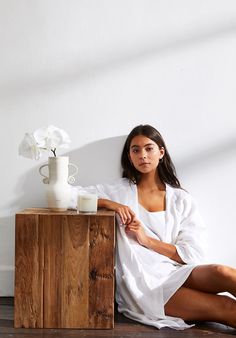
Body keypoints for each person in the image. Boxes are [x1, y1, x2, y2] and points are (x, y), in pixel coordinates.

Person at [71, 124, 236, 330]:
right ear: (129, 156)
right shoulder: (117, 191)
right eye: (135, 150)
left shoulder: (180, 199)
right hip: (145, 285)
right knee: (227, 307)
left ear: (161, 152)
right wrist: (110, 204)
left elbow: (192, 254)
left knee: (224, 272)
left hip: (175, 272)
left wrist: (145, 240)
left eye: (149, 148)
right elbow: (66, 195)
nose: (143, 155)